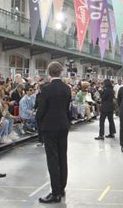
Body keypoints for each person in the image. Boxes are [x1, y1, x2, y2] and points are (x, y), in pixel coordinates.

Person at [36, 62, 72, 203]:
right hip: (63, 125)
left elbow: (42, 109)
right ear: (61, 72)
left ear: (49, 73)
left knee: (52, 159)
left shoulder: (46, 89)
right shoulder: (67, 88)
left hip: (50, 127)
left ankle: (55, 192)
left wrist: (39, 120)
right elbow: (67, 108)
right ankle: (61, 188)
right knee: (62, 157)